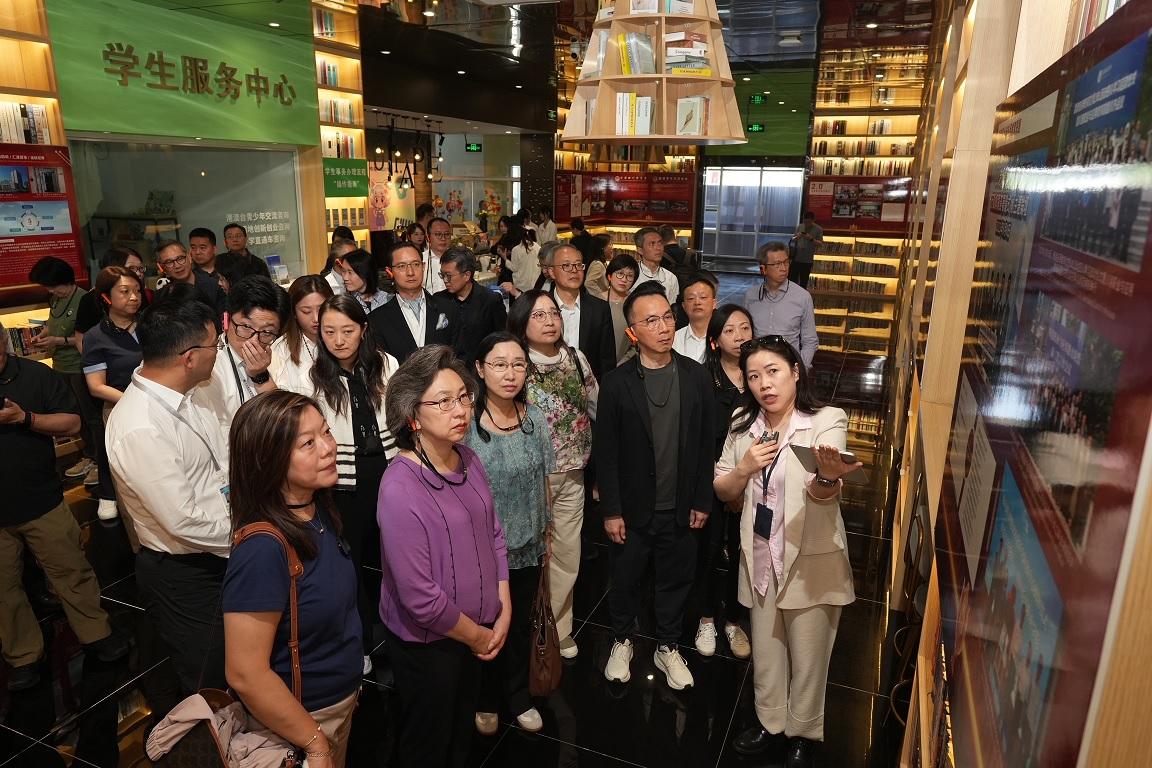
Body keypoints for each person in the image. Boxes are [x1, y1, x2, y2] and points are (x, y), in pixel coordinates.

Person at [713, 335, 857, 767]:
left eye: (773, 372)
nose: (764, 385)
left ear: (795, 371)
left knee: (810, 653)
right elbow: (723, 487)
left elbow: (822, 491)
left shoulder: (826, 419)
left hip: (808, 559)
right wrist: (744, 467)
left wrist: (829, 478)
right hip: (759, 556)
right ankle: (769, 720)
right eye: (754, 376)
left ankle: (803, 731)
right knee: (767, 646)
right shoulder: (744, 422)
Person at [377, 345, 510, 768]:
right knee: (427, 743)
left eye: (464, 398)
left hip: (478, 632)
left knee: (459, 736)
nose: (460, 411)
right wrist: (478, 636)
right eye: (444, 401)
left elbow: (493, 533)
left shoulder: (468, 458)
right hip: (432, 645)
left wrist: (503, 605)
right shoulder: (400, 486)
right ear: (412, 414)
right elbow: (418, 595)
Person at [105, 293, 231, 709]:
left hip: (223, 549)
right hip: (186, 571)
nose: (221, 352)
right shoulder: (140, 425)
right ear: (189, 356)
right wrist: (252, 536)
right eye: (217, 345)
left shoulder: (193, 390)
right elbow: (182, 522)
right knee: (210, 677)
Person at [223, 391, 362, 768]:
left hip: (335, 704)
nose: (329, 448)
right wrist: (315, 743)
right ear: (269, 459)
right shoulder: (263, 549)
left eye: (327, 432)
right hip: (301, 722)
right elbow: (245, 672)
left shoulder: (318, 512)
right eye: (308, 443)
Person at [594, 282, 715, 690]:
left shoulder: (697, 376)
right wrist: (611, 509)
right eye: (651, 320)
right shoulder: (615, 383)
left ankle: (667, 646)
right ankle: (623, 639)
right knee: (625, 578)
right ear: (632, 332)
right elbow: (606, 453)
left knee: (675, 579)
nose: (664, 327)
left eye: (667, 316)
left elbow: (703, 445)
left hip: (681, 505)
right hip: (631, 508)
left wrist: (702, 498)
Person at [0, 320, 130, 692]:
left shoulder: (35, 376)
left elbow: (72, 423)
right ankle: (22, 656)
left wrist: (24, 418)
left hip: (40, 499)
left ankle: (97, 634)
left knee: (71, 572)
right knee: (4, 591)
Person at [280, 294, 399, 672]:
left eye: (347, 330)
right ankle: (361, 639)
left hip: (390, 471)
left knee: (396, 557)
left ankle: (400, 631)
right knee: (354, 562)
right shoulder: (314, 374)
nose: (338, 339)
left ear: (363, 329)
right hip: (343, 479)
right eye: (329, 331)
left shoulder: (386, 363)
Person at [467, 332, 554, 736]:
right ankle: (484, 697)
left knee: (519, 624)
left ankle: (517, 695)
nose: (510, 373)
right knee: (484, 624)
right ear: (480, 369)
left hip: (528, 546)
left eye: (518, 364)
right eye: (499, 364)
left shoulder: (534, 419)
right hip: (479, 550)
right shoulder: (464, 423)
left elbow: (544, 481)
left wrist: (546, 532)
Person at [509, 290, 598, 660]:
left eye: (553, 314)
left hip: (574, 472)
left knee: (566, 553)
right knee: (527, 554)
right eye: (538, 315)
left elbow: (596, 403)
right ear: (522, 322)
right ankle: (523, 625)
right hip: (529, 478)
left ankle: (557, 625)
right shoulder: (514, 363)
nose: (549, 321)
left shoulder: (576, 358)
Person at [694, 304, 755, 660]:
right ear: (715, 341)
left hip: (752, 481)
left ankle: (734, 620)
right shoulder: (702, 377)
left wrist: (740, 483)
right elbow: (699, 439)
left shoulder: (759, 374)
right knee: (707, 549)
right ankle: (704, 618)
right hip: (708, 479)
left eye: (745, 328)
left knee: (743, 554)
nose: (740, 337)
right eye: (730, 331)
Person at [26, 256, 103, 485]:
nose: (51, 291)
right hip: (60, 366)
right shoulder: (56, 300)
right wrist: (44, 334)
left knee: (91, 417)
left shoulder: (84, 300)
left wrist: (57, 341)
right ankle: (89, 455)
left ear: (66, 280)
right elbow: (54, 323)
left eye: (53, 286)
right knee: (75, 415)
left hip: (79, 366)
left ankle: (101, 461)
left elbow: (87, 338)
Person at [81, 266, 144, 522]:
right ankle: (113, 497)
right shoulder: (96, 336)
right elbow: (96, 386)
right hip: (120, 405)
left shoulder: (149, 323)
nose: (134, 297)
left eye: (137, 290)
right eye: (125, 291)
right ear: (106, 296)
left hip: (160, 403)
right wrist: (138, 399)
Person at [193, 275, 289, 431]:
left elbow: (283, 420)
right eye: (246, 326)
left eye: (267, 331)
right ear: (226, 320)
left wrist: (261, 376)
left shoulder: (278, 355)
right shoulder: (210, 364)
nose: (253, 340)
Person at [368, 243, 456, 363]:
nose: (410, 272)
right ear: (389, 271)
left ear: (423, 266)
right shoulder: (377, 319)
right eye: (401, 266)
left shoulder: (447, 307)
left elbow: (458, 354)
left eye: (416, 264)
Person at [742, 242, 820, 369]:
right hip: (757, 365)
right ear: (763, 269)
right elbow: (745, 334)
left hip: (789, 367)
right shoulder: (751, 296)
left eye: (786, 262)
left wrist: (801, 368)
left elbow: (810, 340)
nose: (784, 268)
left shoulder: (802, 297)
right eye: (777, 264)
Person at [547, 243, 617, 379]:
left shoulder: (599, 309)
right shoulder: (539, 307)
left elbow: (606, 360)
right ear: (551, 272)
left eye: (578, 265)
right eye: (566, 265)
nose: (574, 270)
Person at [434, 246, 507, 367]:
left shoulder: (490, 300)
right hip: (449, 370)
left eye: (449, 275)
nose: (445, 280)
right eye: (442, 275)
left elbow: (502, 339)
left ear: (467, 275)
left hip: (481, 371)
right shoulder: (438, 300)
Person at [270, 275, 334, 386]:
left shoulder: (343, 338)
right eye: (306, 311)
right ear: (294, 313)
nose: (315, 318)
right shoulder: (281, 349)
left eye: (321, 309)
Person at [75, 246, 150, 337]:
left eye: (140, 268)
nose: (138, 273)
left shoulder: (141, 293)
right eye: (131, 268)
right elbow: (81, 337)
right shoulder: (91, 298)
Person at [155, 239, 225, 313]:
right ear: (163, 268)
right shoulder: (161, 297)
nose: (177, 265)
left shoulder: (214, 286)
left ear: (189, 257)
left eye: (180, 258)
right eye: (169, 262)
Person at [673, 273, 718, 363]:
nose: (697, 302)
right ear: (684, 306)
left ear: (714, 303)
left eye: (703, 297)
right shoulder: (674, 339)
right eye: (691, 298)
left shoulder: (722, 337)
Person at [605, 253, 639, 364]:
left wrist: (624, 362)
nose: (624, 279)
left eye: (630, 276)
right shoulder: (595, 300)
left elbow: (637, 339)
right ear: (610, 276)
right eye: (620, 273)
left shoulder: (634, 304)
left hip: (624, 363)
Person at [632, 226, 680, 302]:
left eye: (660, 243)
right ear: (640, 250)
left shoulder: (671, 278)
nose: (658, 248)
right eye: (652, 244)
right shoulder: (631, 276)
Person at [337, 247, 391, 314]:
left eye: (350, 272)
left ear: (365, 272)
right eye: (343, 271)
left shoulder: (388, 299)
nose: (345, 278)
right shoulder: (346, 303)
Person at [790, 211, 823, 289]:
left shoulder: (818, 229)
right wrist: (797, 237)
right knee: (792, 281)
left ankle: (801, 299)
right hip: (796, 258)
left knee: (803, 282)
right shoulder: (800, 226)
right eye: (805, 221)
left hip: (807, 260)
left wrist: (811, 239)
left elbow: (820, 244)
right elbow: (792, 239)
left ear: (813, 220)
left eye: (808, 221)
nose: (806, 223)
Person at [505, 229, 540, 296]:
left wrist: (505, 258)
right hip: (535, 283)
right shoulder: (537, 246)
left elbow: (514, 268)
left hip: (521, 286)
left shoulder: (516, 249)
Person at [424, 217, 453, 294]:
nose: (443, 238)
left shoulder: (458, 259)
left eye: (447, 234)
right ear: (428, 236)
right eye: (438, 234)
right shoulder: (420, 260)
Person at [583, 233, 612, 299]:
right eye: (610, 244)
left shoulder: (601, 262)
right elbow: (589, 283)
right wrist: (602, 297)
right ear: (602, 248)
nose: (612, 247)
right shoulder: (597, 264)